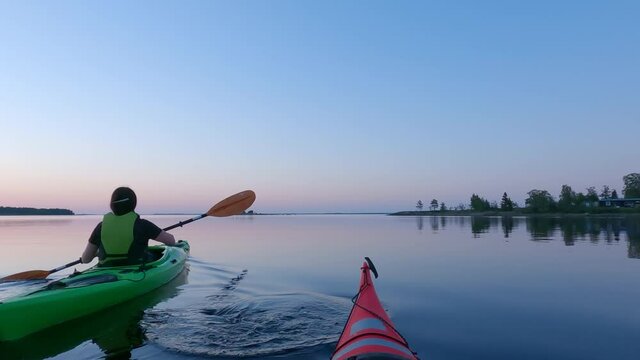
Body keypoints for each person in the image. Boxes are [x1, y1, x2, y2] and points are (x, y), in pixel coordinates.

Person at [81, 187, 176, 266]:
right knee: (154, 255)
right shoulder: (143, 225)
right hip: (137, 268)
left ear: (112, 205)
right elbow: (171, 241)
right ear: (133, 204)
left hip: (107, 268)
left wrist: (97, 253)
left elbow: (85, 259)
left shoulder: (101, 227)